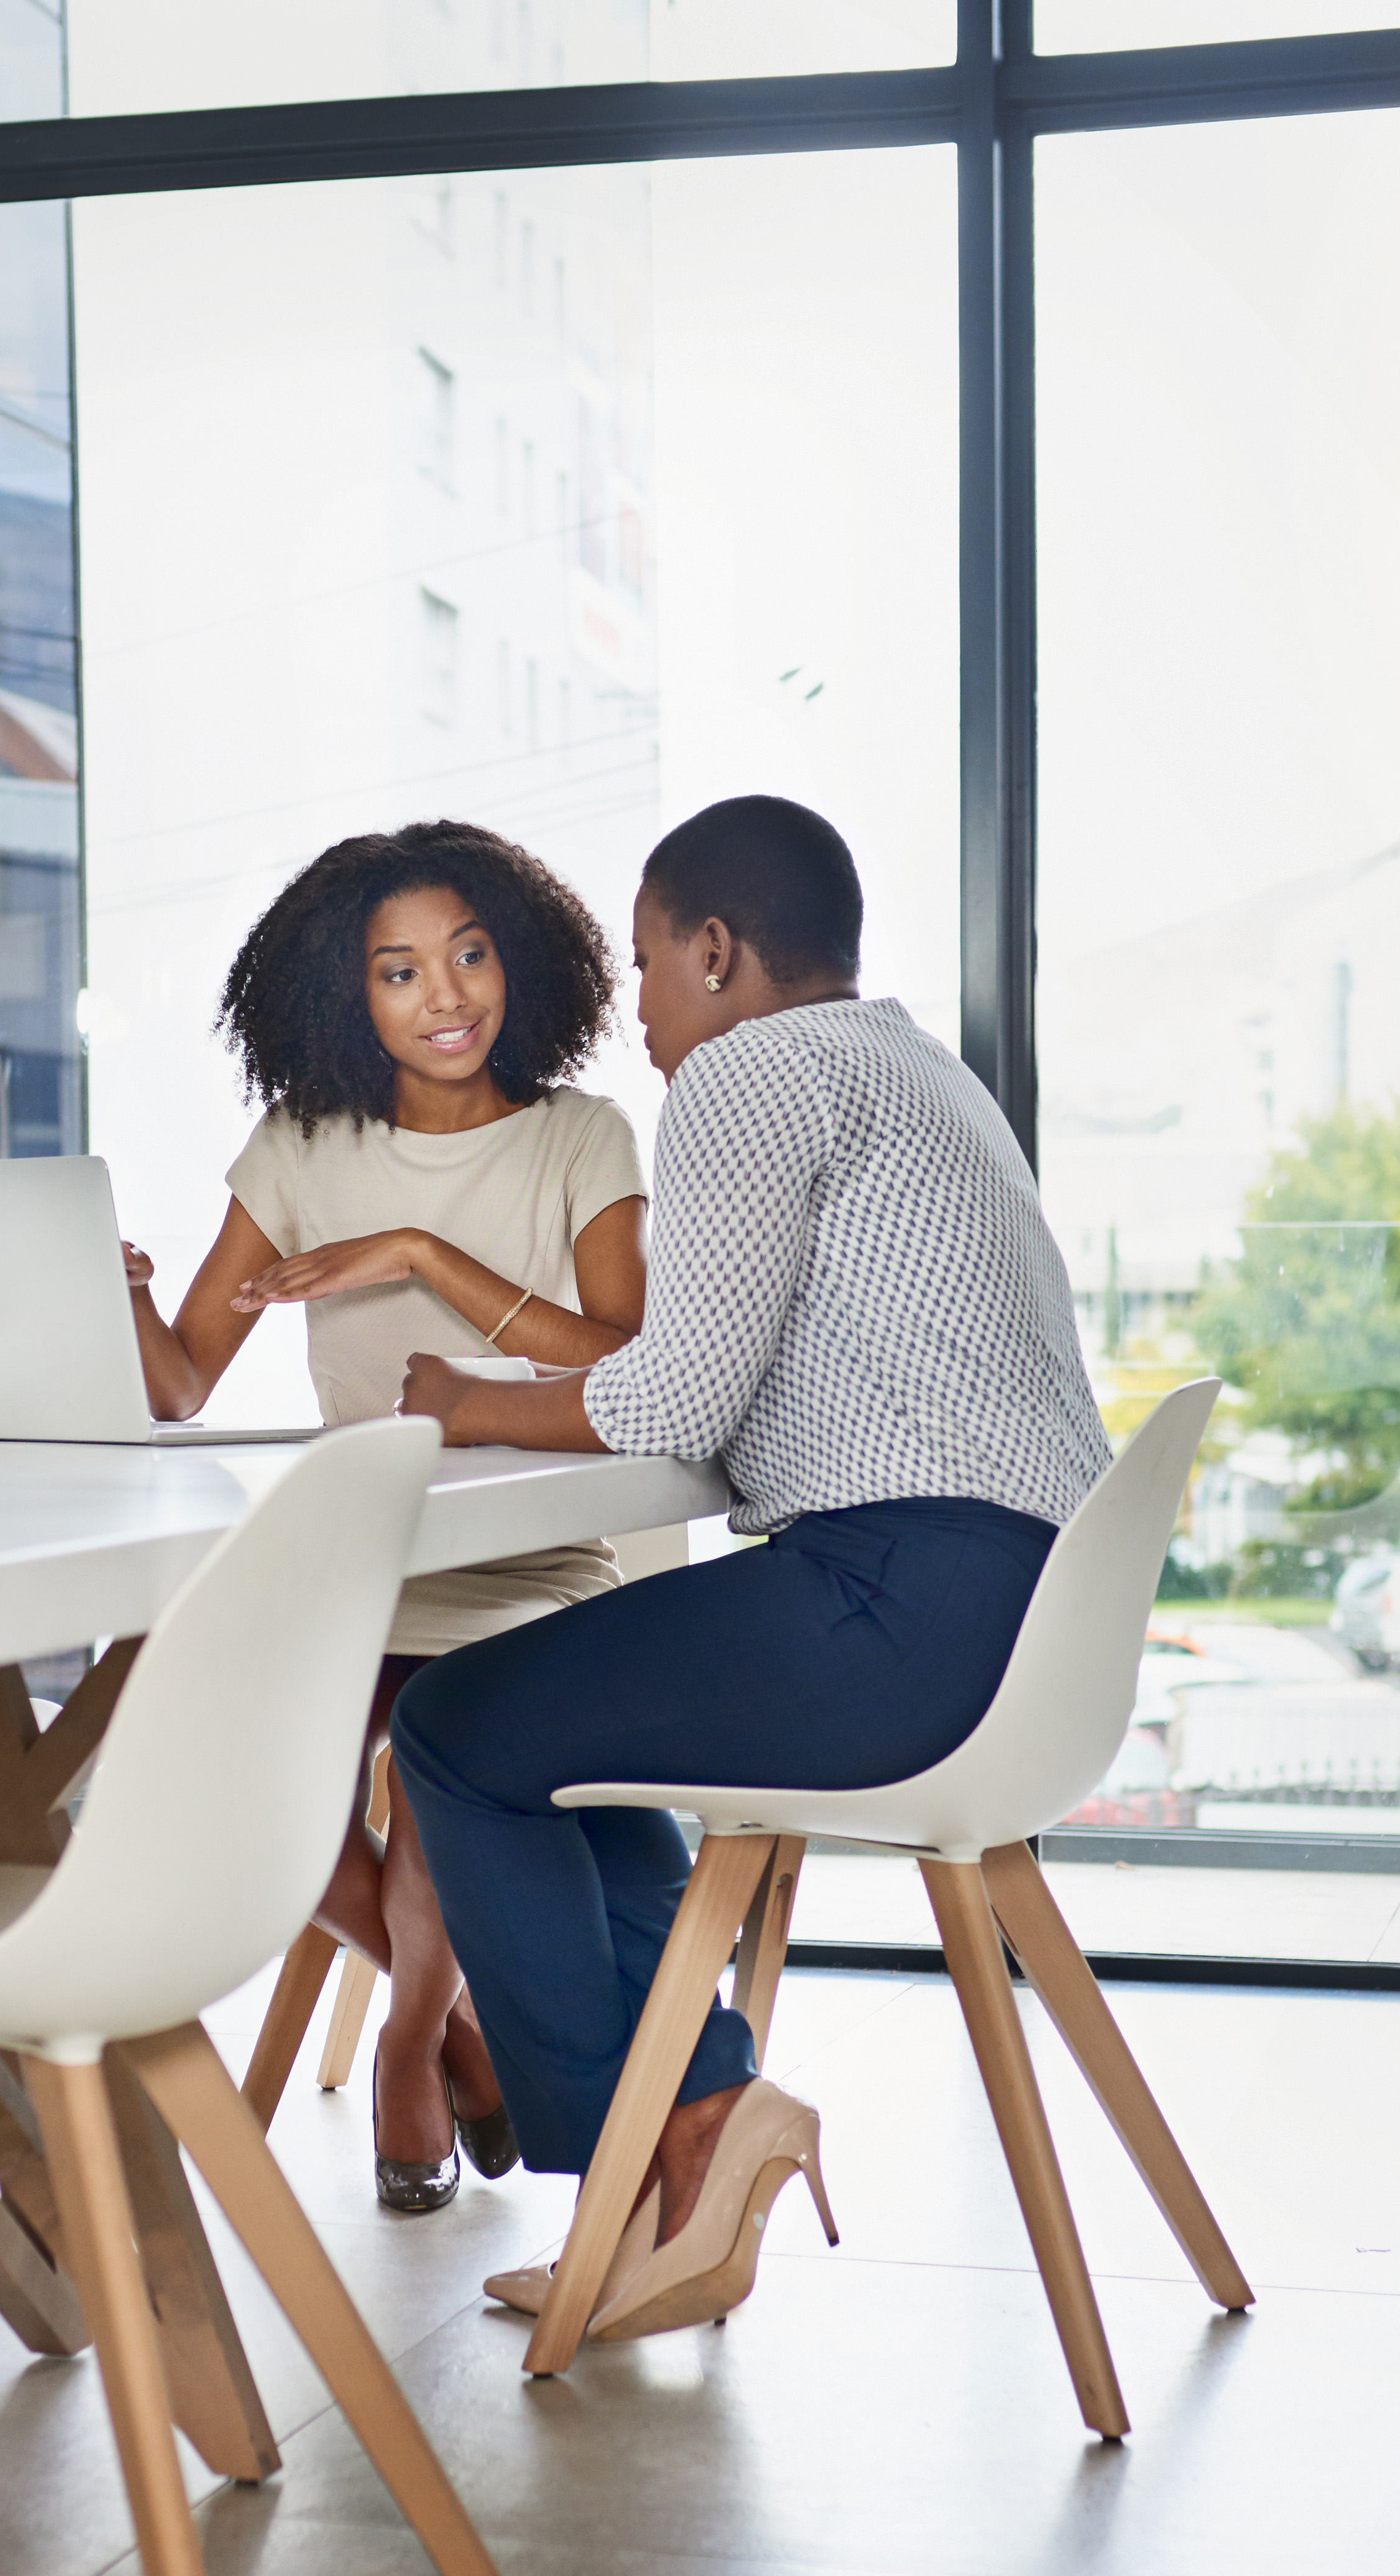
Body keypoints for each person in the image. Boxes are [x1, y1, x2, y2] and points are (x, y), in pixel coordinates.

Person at [388, 793, 1110, 2336]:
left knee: (451, 1726)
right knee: (576, 1742)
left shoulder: (748, 1075)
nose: (639, 1012)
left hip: (903, 1608)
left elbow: (673, 1399)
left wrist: (464, 1399)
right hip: (1021, 1620)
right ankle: (700, 2105)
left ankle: (677, 2143)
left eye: (648, 964)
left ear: (715, 952)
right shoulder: (924, 1071)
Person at [123, 817, 648, 2212]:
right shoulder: (299, 1146)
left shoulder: (580, 1137)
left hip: (527, 1573)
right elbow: (179, 1382)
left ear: (523, 960)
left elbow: (633, 1355)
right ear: (340, 995)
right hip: (355, 1570)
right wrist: (111, 1298)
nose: (448, 995)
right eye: (400, 969)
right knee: (215, 1770)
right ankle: (464, 2040)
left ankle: (411, 2044)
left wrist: (424, 1253)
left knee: (432, 1761)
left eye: (470, 954)